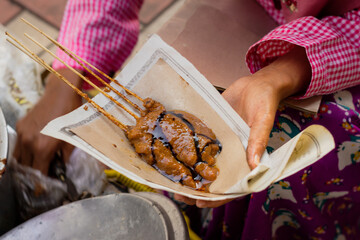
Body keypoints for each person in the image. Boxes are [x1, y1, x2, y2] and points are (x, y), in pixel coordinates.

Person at [14, 0, 360, 238]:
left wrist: (284, 72)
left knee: (290, 178)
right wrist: (70, 76)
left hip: (343, 53)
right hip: (240, 19)